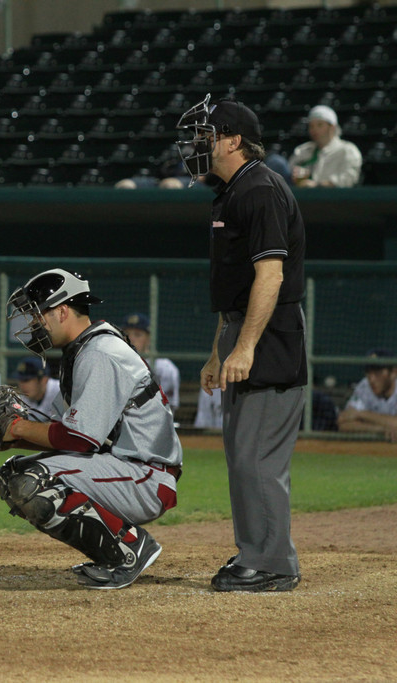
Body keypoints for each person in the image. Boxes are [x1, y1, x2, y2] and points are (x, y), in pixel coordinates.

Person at [178, 94, 306, 592]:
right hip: (243, 327)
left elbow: (270, 277)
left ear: (233, 141)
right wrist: (220, 349)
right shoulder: (233, 191)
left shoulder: (260, 189)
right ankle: (255, 550)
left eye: (205, 135)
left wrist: (247, 346)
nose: (196, 144)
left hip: (270, 334)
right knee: (241, 455)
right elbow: (234, 289)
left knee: (258, 458)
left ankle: (273, 562)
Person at [0, 268, 182, 590]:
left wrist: (19, 429)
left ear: (62, 311)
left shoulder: (100, 353)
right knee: (11, 475)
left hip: (145, 475)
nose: (34, 323)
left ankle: (128, 548)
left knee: (32, 482)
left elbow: (78, 439)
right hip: (120, 467)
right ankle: (114, 550)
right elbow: (63, 431)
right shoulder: (82, 350)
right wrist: (9, 438)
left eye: (37, 314)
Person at [289, 105, 362, 188]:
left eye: (319, 125)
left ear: (332, 127)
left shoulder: (347, 150)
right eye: (311, 126)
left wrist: (317, 185)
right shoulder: (301, 150)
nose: (314, 130)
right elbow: (290, 172)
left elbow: (348, 179)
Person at [120, 313, 180, 414]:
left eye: (137, 335)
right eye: (126, 334)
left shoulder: (165, 368)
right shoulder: (115, 364)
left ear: (149, 339)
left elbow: (169, 407)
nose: (130, 339)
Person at [336, 349, 397, 437]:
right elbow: (343, 423)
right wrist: (382, 430)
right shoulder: (364, 386)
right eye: (368, 373)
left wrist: (361, 414)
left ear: (394, 373)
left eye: (377, 373)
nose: (371, 379)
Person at [13, 355, 62, 419]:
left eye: (26, 380)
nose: (22, 385)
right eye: (20, 380)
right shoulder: (22, 399)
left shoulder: (60, 392)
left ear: (44, 380)